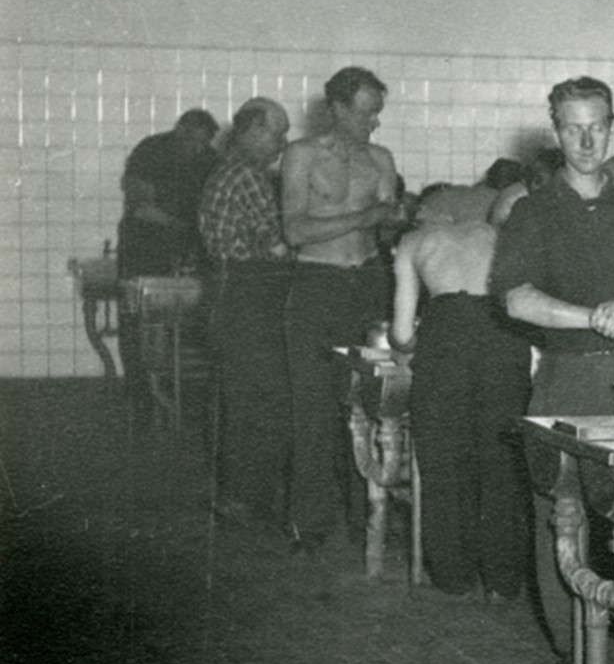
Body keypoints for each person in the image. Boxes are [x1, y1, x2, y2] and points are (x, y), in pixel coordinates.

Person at [495, 77, 614, 664]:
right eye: (573, 127)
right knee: (560, 514)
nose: (586, 139)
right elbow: (516, 299)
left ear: (613, 125)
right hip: (566, 377)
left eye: (597, 125)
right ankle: (578, 661)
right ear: (556, 130)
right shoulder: (533, 210)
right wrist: (596, 317)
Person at [280, 66, 404, 554]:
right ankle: (308, 521)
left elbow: (386, 230)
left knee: (372, 403)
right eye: (365, 112)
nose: (373, 122)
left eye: (377, 112)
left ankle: (368, 516)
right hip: (316, 284)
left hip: (368, 284)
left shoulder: (381, 159)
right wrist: (367, 216)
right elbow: (294, 231)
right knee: (312, 408)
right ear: (336, 108)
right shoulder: (302, 156)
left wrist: (406, 223)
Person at [390, 185, 531, 601]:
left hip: (445, 336)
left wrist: (419, 342)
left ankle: (453, 575)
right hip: (503, 338)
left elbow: (400, 334)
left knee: (443, 462)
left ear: (432, 213)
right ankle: (503, 581)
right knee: (502, 461)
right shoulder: (500, 238)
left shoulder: (414, 241)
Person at [198, 97, 293, 528]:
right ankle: (245, 498)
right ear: (253, 130)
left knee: (242, 400)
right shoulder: (249, 177)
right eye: (278, 133)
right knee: (260, 401)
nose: (283, 142)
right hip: (246, 295)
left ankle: (240, 495)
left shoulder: (226, 170)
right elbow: (277, 247)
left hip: (226, 294)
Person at [119, 108, 219, 278]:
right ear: (179, 132)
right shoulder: (151, 150)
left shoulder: (209, 158)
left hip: (187, 246)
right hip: (144, 244)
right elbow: (141, 207)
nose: (198, 149)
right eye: (193, 141)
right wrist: (179, 225)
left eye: (204, 143)